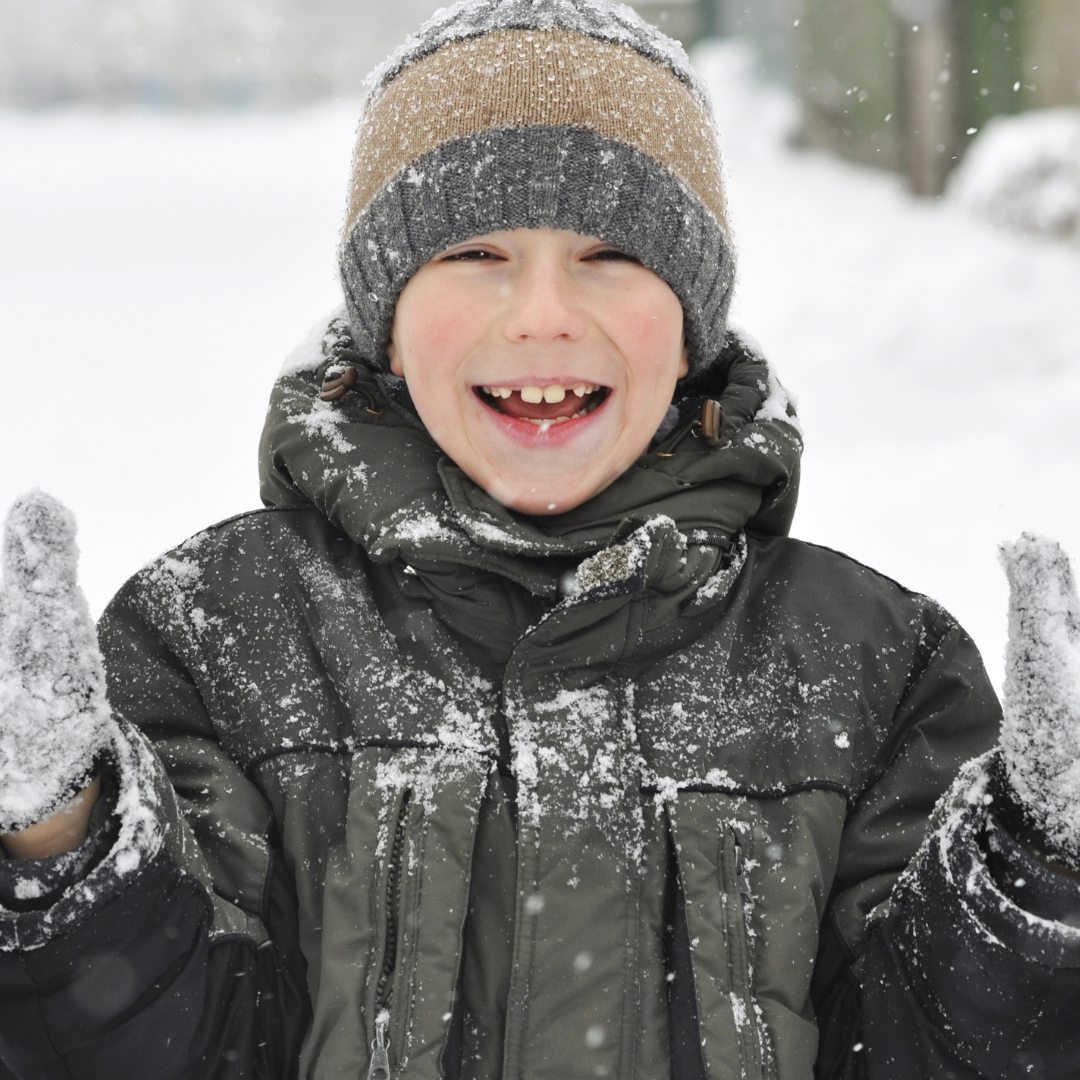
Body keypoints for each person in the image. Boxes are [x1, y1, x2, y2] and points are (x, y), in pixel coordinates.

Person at [1, 2, 1079, 1078]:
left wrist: (1040, 879)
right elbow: (155, 1046)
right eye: (475, 251)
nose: (542, 315)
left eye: (611, 252)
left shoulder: (872, 666)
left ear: (692, 312)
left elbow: (933, 1050)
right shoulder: (221, 634)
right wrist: (62, 842)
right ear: (385, 308)